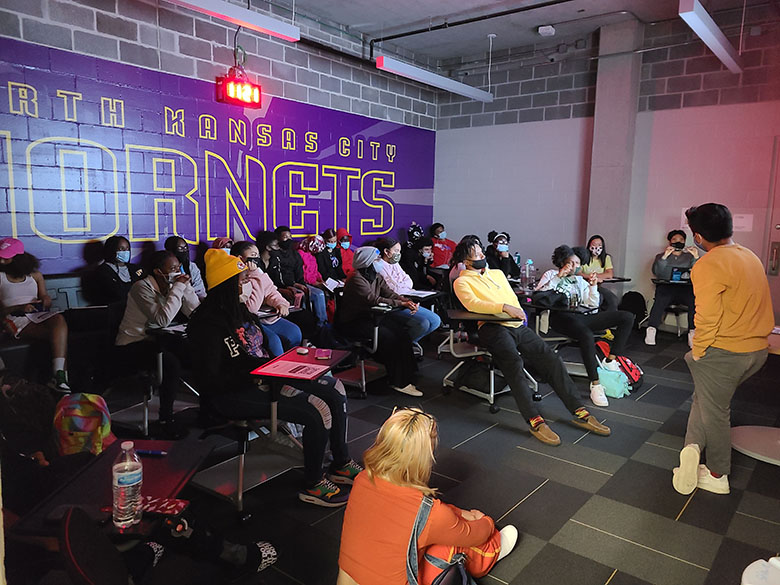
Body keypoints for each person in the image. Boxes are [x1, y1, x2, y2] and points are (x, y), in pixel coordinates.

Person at [187, 249, 362, 506]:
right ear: (226, 284)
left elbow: (254, 351)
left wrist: (282, 366)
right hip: (233, 393)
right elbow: (217, 376)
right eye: (240, 280)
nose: (246, 283)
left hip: (265, 375)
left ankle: (341, 463)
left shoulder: (239, 310)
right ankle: (313, 484)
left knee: (334, 387)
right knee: (317, 410)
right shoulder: (207, 324)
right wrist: (270, 372)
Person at [453, 240, 611, 445]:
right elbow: (473, 304)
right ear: (466, 260)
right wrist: (505, 308)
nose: (482, 255)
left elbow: (511, 297)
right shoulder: (462, 281)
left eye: (481, 251)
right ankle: (535, 420)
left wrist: (515, 311)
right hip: (491, 327)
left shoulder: (497, 274)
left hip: (515, 325)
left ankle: (578, 410)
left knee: (550, 359)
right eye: (476, 254)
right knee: (513, 363)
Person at [338, 407, 518, 585]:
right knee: (447, 546)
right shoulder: (433, 515)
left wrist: (456, 514)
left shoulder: (362, 478)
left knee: (427, 529)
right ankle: (494, 550)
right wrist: (484, 520)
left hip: (346, 580)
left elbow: (408, 519)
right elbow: (475, 535)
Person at [672, 204, 773, 497]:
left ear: (699, 237)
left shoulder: (708, 264)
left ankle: (717, 474)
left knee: (715, 411)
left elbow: (706, 316)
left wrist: (699, 352)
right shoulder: (748, 255)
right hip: (757, 350)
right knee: (704, 399)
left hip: (726, 353)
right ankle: (691, 448)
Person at [535, 245, 635, 408]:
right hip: (560, 318)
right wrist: (558, 277)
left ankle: (611, 359)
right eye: (571, 263)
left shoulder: (580, 280)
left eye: (577, 263)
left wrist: (593, 286)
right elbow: (539, 297)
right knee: (586, 335)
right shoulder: (551, 274)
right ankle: (595, 385)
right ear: (562, 262)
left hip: (581, 317)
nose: (574, 267)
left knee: (626, 317)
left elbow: (592, 305)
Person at [115, 250, 200, 436]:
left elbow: (195, 312)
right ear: (157, 271)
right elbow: (162, 320)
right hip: (132, 343)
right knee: (170, 364)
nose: (177, 272)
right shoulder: (141, 287)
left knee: (198, 351)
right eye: (172, 268)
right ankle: (165, 418)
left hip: (159, 339)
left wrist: (187, 289)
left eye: (178, 267)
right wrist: (178, 288)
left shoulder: (172, 285)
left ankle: (208, 406)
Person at [336, 247, 421, 397]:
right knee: (390, 338)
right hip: (354, 322)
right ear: (367, 262)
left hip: (371, 318)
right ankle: (399, 381)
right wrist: (401, 304)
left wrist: (407, 301)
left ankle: (409, 374)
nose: (380, 262)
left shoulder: (375, 275)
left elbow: (389, 292)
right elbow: (373, 299)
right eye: (376, 260)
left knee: (402, 333)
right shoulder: (355, 278)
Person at [0, 238, 70, 392]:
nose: (2, 260)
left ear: (19, 257)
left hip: (37, 314)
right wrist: (20, 307)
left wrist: (45, 300)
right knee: (57, 337)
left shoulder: (35, 275)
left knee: (59, 319)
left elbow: (44, 297)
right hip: (14, 318)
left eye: (6, 257)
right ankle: (61, 378)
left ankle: (58, 376)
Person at [230, 240, 302, 357]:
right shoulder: (237, 277)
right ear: (240, 258)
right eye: (253, 256)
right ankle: (277, 372)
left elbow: (271, 291)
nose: (257, 259)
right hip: (248, 321)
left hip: (266, 317)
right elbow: (251, 308)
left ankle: (292, 364)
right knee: (274, 342)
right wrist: (254, 274)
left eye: (257, 255)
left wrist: (281, 303)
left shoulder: (258, 272)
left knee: (294, 332)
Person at [375, 237, 441, 343]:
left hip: (407, 298)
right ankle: (401, 347)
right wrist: (402, 286)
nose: (399, 254)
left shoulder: (395, 264)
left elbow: (409, 281)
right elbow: (393, 289)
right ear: (386, 252)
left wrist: (402, 285)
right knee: (423, 324)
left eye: (399, 251)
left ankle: (408, 345)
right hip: (394, 305)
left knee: (435, 321)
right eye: (396, 251)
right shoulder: (379, 266)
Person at [255, 230, 320, 335]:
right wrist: (281, 291)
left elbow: (279, 281)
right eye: (276, 245)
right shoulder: (256, 266)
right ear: (268, 247)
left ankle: (306, 343)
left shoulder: (275, 260)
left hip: (278, 300)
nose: (278, 248)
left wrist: (290, 287)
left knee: (306, 316)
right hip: (263, 307)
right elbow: (263, 288)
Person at [646, 229, 699, 347]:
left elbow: (697, 273)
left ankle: (692, 332)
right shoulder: (660, 256)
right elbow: (657, 272)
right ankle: (651, 330)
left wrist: (695, 257)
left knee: (694, 301)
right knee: (660, 300)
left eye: (681, 240)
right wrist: (665, 257)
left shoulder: (689, 257)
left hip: (685, 288)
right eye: (674, 240)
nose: (678, 242)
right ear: (669, 242)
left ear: (684, 241)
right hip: (667, 287)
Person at [87, 235, 144, 305]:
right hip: (116, 309)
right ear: (111, 250)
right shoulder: (103, 271)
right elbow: (118, 293)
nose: (126, 252)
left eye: (127, 249)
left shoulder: (136, 268)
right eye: (121, 249)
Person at [165, 236, 206, 300]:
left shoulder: (192, 267)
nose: (184, 251)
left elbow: (200, 291)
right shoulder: (165, 268)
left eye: (185, 248)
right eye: (180, 248)